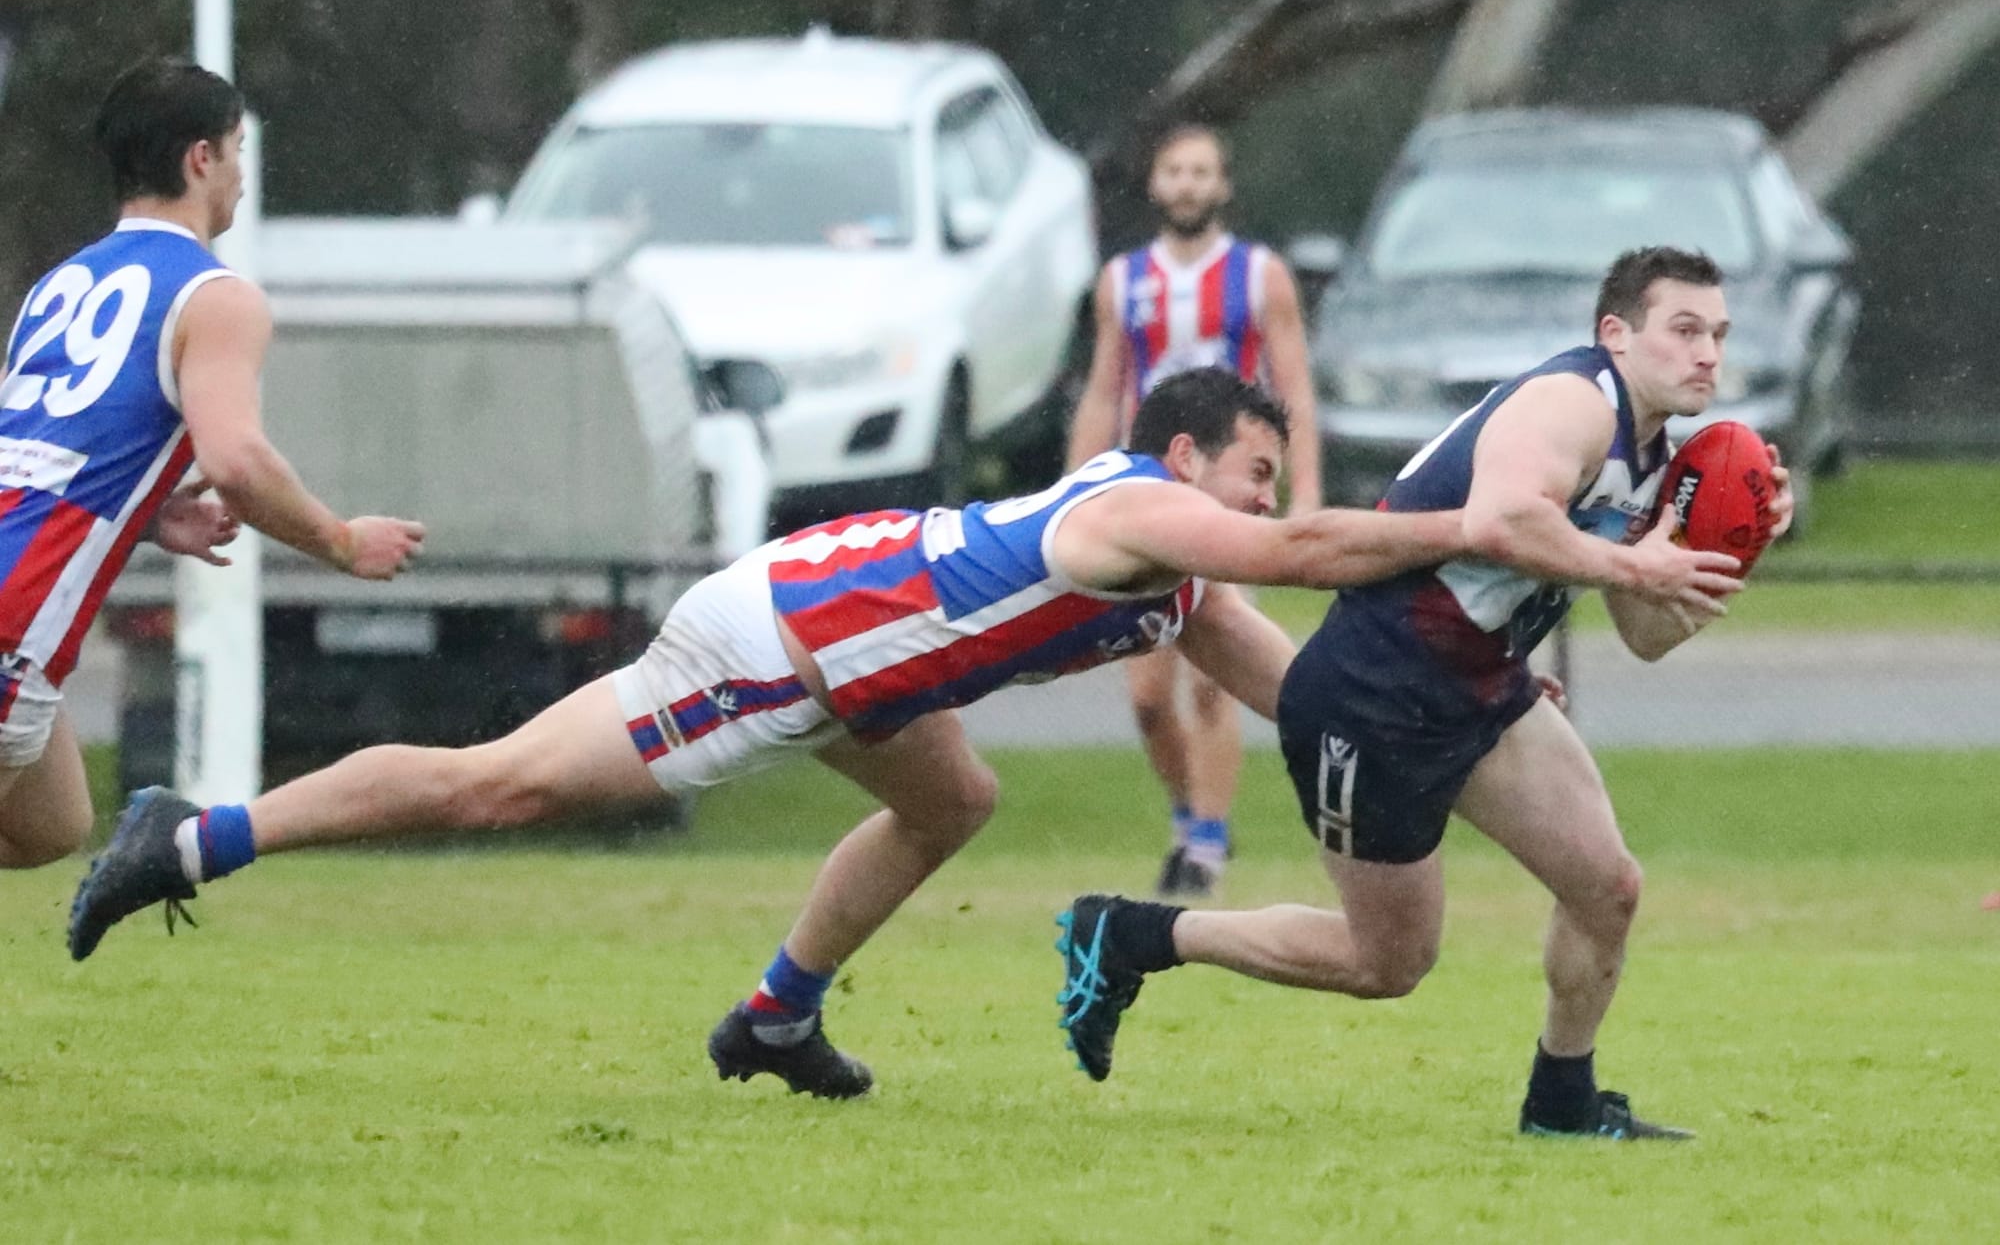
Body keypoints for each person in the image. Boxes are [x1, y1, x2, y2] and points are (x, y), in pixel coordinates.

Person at [71, 368, 1501, 1100]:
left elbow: (1307, 695)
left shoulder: (1179, 576)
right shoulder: (1130, 504)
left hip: (850, 659)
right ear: (1183, 456)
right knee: (497, 788)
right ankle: (190, 836)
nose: (1265, 501)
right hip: (777, 644)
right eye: (1254, 473)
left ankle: (775, 1017)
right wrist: (1476, 526)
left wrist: (1466, 706)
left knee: (951, 801)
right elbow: (1303, 552)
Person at [1054, 246, 1779, 1140]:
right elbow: (1502, 520)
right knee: (1387, 963)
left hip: (1482, 689)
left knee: (1607, 887)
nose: (1707, 353)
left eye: (1718, 335)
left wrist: (1724, 555)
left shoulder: (1653, 458)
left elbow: (1646, 634)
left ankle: (1562, 1103)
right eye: (1684, 329)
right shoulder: (1574, 401)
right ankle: (1133, 933)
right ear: (1616, 334)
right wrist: (1636, 564)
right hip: (1377, 696)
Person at [0, 58, 425, 874]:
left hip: (17, 601)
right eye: (237, 152)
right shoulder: (215, 296)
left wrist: (145, 515)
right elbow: (236, 461)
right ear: (201, 158)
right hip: (14, 617)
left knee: (52, 823)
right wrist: (339, 541)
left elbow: (27, 461)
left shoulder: (59, 285)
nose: (240, 176)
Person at [1068, 123, 1321, 898]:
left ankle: (1206, 844)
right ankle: (1188, 815)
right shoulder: (1122, 280)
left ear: (1223, 185)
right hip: (1145, 497)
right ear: (1155, 183)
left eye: (1201, 171)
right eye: (1175, 170)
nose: (1187, 184)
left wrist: (1305, 494)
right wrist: (1072, 489)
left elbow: (1294, 388)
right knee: (1149, 699)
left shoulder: (1259, 276)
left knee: (1215, 678)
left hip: (1225, 502)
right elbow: (1105, 390)